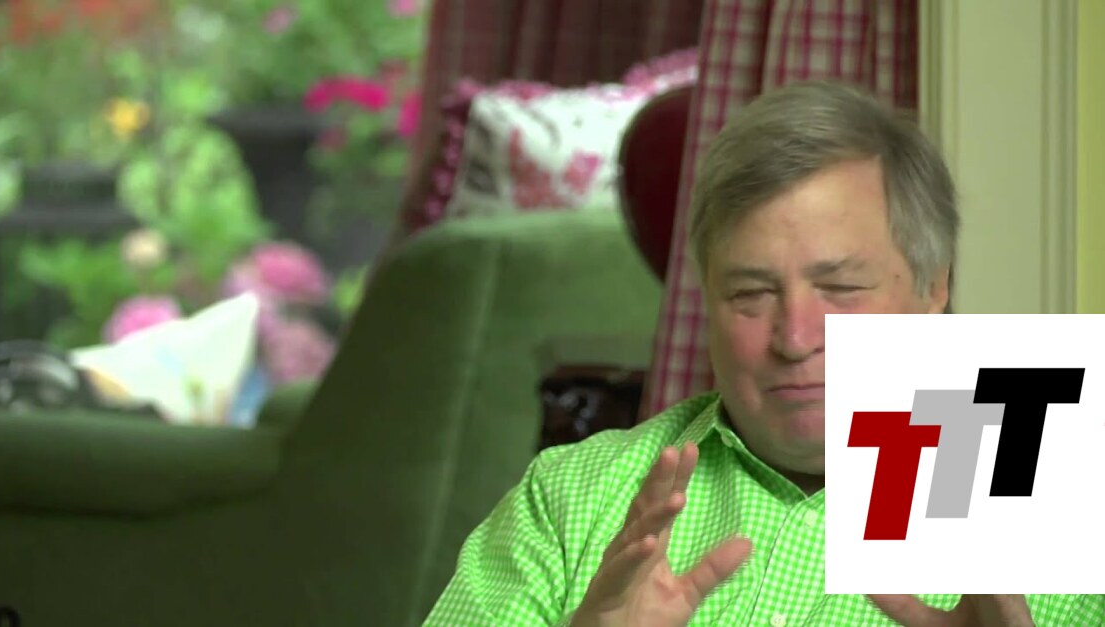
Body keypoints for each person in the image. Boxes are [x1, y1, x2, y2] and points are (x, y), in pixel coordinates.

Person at [422, 81, 1104, 626]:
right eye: (750, 293)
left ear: (933, 288)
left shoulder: (1074, 501)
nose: (795, 338)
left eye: (840, 288)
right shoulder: (570, 495)